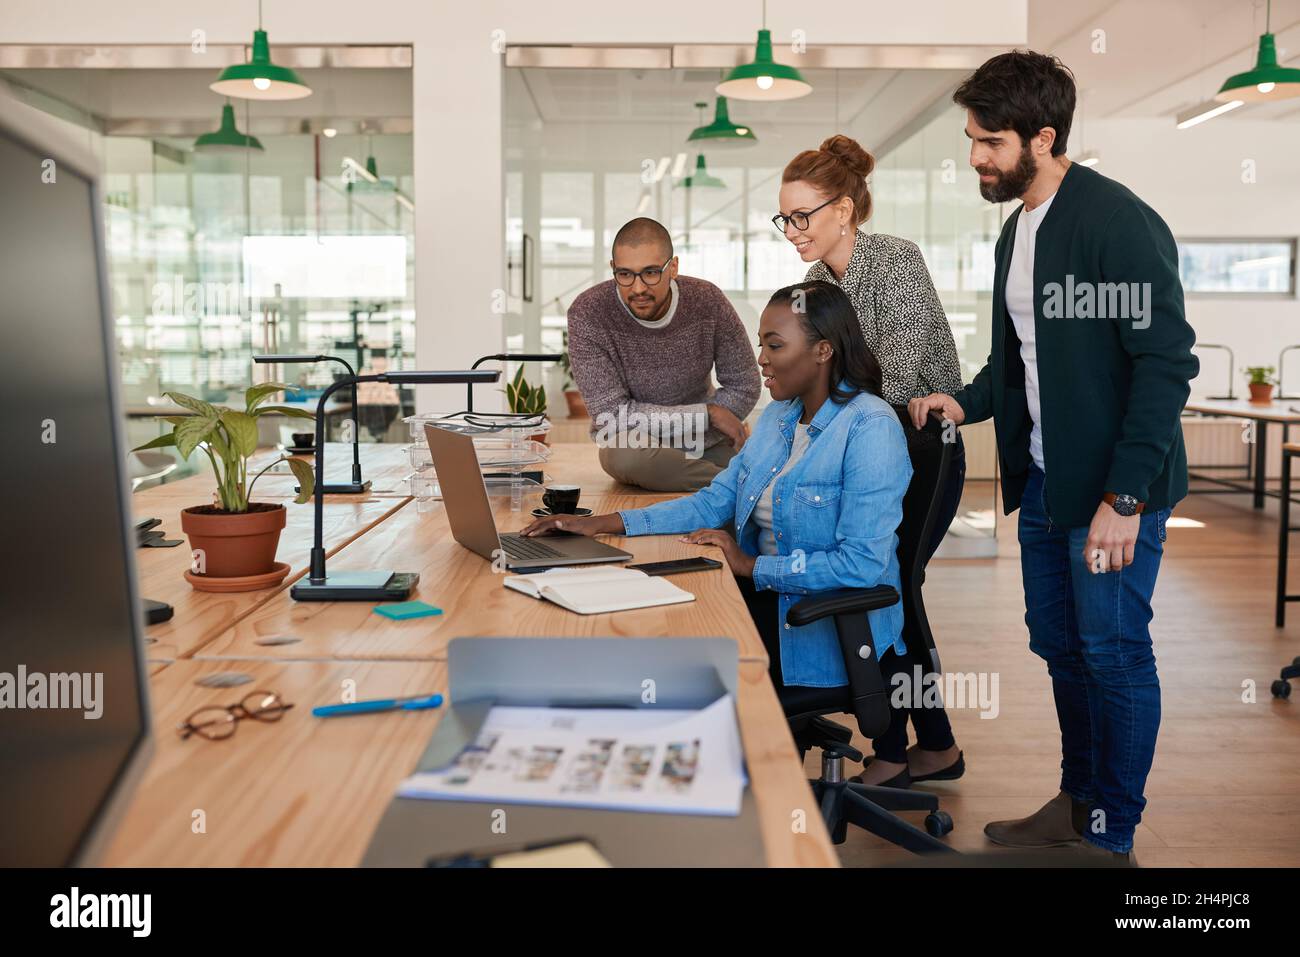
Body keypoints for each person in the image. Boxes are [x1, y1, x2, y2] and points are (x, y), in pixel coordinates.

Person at [909, 50, 1199, 864]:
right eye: (971, 138)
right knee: (1061, 646)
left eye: (989, 142)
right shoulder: (1017, 232)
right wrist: (966, 399)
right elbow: (1023, 360)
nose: (976, 157)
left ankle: (1115, 830)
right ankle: (1077, 801)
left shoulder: (1115, 221)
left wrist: (1126, 498)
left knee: (1113, 651)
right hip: (1044, 482)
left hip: (1112, 491)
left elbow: (1166, 363)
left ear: (1043, 138)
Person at [523, 280, 911, 694]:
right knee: (626, 631)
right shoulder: (780, 416)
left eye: (775, 346)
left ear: (823, 350)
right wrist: (602, 524)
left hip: (814, 623)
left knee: (665, 667)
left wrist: (749, 566)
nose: (761, 360)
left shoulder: (870, 428)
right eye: (761, 345)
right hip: (762, 600)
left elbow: (861, 565)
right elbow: (712, 502)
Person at [777, 133, 965, 787]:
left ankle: (897, 748)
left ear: (844, 211)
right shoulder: (812, 285)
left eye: (802, 216)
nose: (792, 230)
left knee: (889, 587)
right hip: (858, 454)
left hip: (920, 448)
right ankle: (931, 742)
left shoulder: (896, 262)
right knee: (874, 588)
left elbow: (895, 381)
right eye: (785, 217)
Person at [566, 217, 761, 492]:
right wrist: (708, 415)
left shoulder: (708, 301)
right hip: (635, 445)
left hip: (703, 443)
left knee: (761, 460)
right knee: (625, 457)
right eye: (625, 274)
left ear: (673, 268)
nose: (638, 288)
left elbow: (745, 384)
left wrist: (710, 423)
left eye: (650, 273)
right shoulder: (589, 313)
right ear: (613, 269)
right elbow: (610, 415)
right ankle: (734, 486)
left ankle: (730, 482)